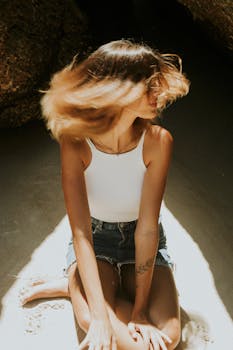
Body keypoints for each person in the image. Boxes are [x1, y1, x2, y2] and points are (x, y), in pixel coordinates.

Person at [19, 39, 190, 350]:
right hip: (95, 242)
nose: (159, 94)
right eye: (148, 85)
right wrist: (99, 316)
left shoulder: (158, 141)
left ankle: (78, 287)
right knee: (104, 329)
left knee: (168, 338)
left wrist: (139, 312)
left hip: (145, 241)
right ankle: (76, 283)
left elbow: (148, 227)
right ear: (118, 89)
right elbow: (81, 232)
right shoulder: (75, 142)